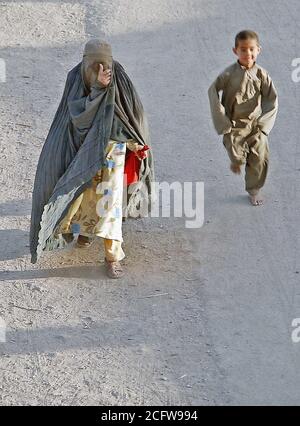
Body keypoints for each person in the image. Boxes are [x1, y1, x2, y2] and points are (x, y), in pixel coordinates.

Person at [30, 39, 154, 278]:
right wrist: (97, 90)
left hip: (112, 154)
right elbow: (78, 119)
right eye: (93, 65)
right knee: (81, 197)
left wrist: (136, 143)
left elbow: (130, 116)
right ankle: (84, 234)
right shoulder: (75, 79)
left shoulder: (120, 79)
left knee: (110, 206)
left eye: (104, 64)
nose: (100, 70)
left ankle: (112, 256)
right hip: (80, 152)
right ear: (84, 61)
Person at [208, 30, 278, 206]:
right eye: (243, 50)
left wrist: (264, 125)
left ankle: (254, 190)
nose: (248, 54)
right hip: (234, 124)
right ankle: (237, 161)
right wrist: (222, 120)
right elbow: (213, 90)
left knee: (260, 157)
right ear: (235, 51)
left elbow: (272, 99)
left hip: (255, 124)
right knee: (235, 151)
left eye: (252, 49)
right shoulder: (229, 74)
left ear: (258, 50)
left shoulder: (262, 75)